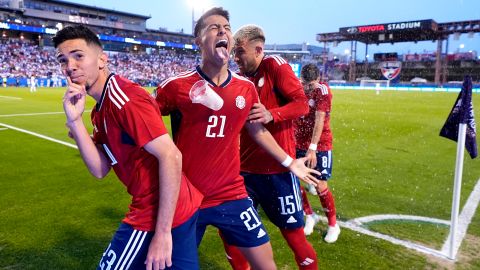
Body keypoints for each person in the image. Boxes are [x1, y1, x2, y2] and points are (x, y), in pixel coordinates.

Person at [154, 7, 320, 270]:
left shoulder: (246, 88)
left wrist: (290, 162)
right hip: (186, 195)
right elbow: (143, 121)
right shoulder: (176, 86)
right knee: (173, 264)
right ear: (198, 41)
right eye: (213, 27)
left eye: (226, 28)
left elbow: (258, 130)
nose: (222, 31)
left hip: (232, 194)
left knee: (266, 263)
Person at [53, 25, 203, 270]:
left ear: (102, 59)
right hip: (179, 206)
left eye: (78, 55)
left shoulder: (125, 98)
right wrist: (75, 121)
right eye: (63, 60)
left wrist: (162, 233)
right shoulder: (100, 111)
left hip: (156, 211)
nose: (70, 66)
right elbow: (100, 169)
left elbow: (171, 155)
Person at [221, 24, 318, 270]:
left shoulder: (275, 65)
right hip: (243, 175)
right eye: (234, 53)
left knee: (295, 239)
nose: (236, 58)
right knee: (232, 235)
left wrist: (271, 114)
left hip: (278, 173)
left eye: (240, 51)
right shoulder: (240, 79)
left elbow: (302, 105)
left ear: (258, 49)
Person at [295, 64, 340, 243]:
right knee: (293, 181)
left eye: (310, 85)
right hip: (297, 141)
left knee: (321, 186)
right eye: (305, 84)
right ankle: (310, 215)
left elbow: (319, 120)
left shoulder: (323, 91)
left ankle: (332, 225)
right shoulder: (298, 87)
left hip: (320, 145)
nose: (307, 89)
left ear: (317, 81)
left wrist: (312, 148)